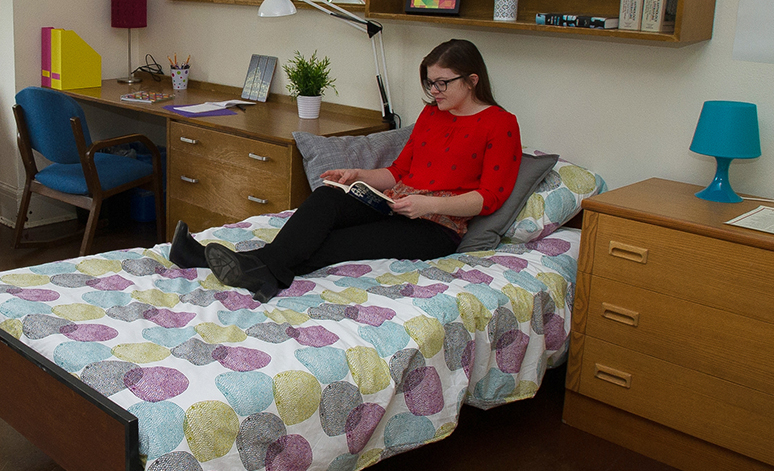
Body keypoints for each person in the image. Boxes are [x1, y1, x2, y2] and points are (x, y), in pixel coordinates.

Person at [170, 38, 521, 301]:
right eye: (429, 82)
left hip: (436, 227)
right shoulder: (432, 114)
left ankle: (208, 259)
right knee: (326, 198)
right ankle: (258, 274)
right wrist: (358, 175)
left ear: (472, 80)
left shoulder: (500, 123)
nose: (433, 90)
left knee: (333, 242)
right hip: (394, 203)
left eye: (442, 83)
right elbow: (398, 171)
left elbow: (487, 199)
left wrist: (429, 205)